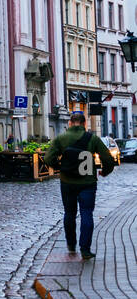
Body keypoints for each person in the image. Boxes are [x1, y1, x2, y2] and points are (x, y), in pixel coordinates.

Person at [44, 110, 116, 259]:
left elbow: (48, 158)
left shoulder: (61, 138)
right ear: (84, 123)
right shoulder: (93, 139)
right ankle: (85, 249)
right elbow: (108, 160)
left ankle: (71, 245)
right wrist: (104, 172)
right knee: (87, 213)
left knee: (69, 213)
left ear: (70, 123)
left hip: (67, 182)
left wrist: (60, 168)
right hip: (87, 183)